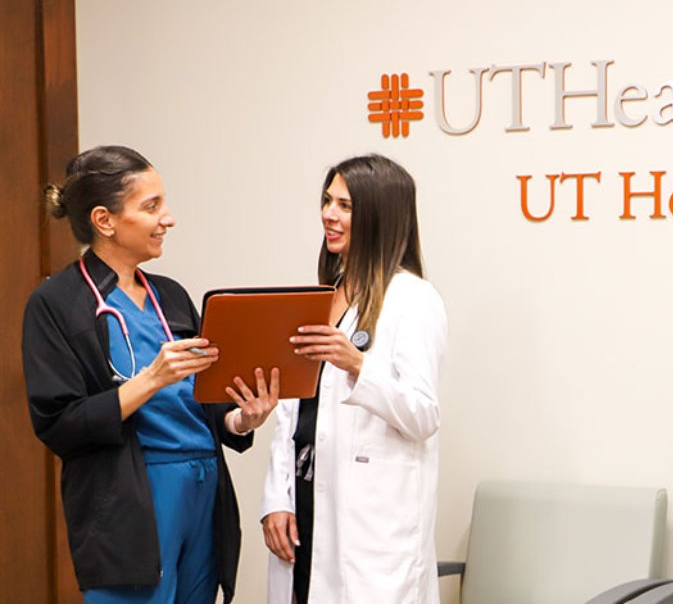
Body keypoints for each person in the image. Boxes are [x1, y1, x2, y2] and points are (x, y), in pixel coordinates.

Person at [22, 145, 279, 604]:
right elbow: (59, 423)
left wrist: (241, 419)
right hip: (133, 499)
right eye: (152, 206)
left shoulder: (171, 297)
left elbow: (207, 399)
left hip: (204, 486)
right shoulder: (57, 304)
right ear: (105, 220)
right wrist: (149, 380)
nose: (169, 219)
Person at [260, 154, 447, 604]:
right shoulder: (323, 293)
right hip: (306, 504)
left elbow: (423, 415)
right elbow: (292, 409)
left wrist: (358, 365)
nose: (328, 214)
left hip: (372, 526)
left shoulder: (413, 299)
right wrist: (277, 499)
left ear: (379, 215)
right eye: (327, 201)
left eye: (345, 205)